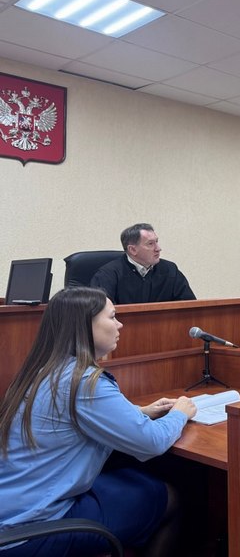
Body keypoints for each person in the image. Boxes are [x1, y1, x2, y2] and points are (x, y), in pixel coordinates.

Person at [0, 287, 197, 556]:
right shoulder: (84, 381)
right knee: (170, 498)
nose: (120, 324)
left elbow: (70, 416)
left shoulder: (43, 370)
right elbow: (152, 442)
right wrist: (180, 413)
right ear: (85, 326)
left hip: (13, 505)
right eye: (112, 316)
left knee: (136, 480)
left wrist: (140, 412)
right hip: (32, 527)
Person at [91, 223, 195, 304]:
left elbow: (189, 307)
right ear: (133, 250)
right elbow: (101, 313)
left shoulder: (170, 270)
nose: (158, 248)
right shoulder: (108, 274)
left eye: (156, 242)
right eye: (150, 244)